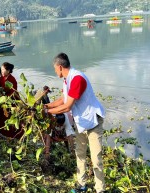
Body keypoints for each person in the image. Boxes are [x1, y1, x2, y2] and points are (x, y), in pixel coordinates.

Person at [45, 53, 106, 193]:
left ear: (60, 67)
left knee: (96, 158)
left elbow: (67, 106)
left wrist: (47, 113)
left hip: (93, 121)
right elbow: (62, 100)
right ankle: (81, 185)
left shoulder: (77, 78)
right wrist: (46, 107)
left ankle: (100, 189)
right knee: (80, 153)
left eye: (54, 69)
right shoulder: (67, 80)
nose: (55, 71)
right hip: (81, 122)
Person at [0, 62, 23, 139]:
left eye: (3, 69)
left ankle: (13, 136)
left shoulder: (12, 80)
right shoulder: (2, 78)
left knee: (10, 118)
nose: (2, 71)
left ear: (8, 70)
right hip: (3, 101)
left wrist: (5, 100)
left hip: (11, 102)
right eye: (1, 70)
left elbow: (13, 93)